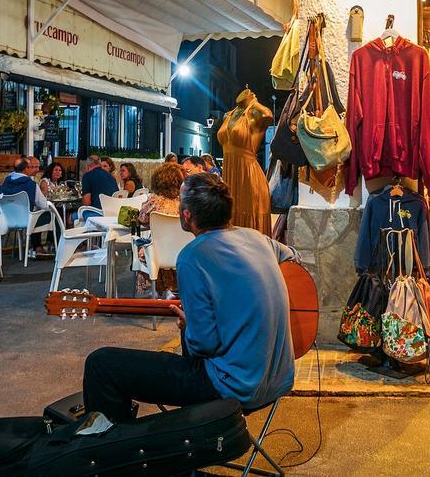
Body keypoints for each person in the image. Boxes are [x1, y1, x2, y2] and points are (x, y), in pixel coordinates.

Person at [82, 173, 295, 422]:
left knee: (102, 364)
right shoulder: (258, 239)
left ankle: (113, 451)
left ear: (186, 215)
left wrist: (189, 325)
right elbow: (293, 257)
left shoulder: (193, 257)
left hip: (232, 385)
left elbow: (203, 345)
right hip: (279, 379)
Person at [134, 162, 185, 297]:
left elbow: (142, 219)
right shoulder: (187, 202)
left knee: (146, 246)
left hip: (158, 254)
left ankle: (163, 289)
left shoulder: (154, 201)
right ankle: (173, 289)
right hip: (184, 253)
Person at [0, 156, 53, 258]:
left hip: (7, 219)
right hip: (26, 220)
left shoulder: (6, 181)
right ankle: (47, 246)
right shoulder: (31, 184)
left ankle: (37, 247)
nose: (33, 169)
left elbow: (0, 197)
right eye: (30, 167)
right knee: (51, 214)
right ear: (25, 169)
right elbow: (43, 205)